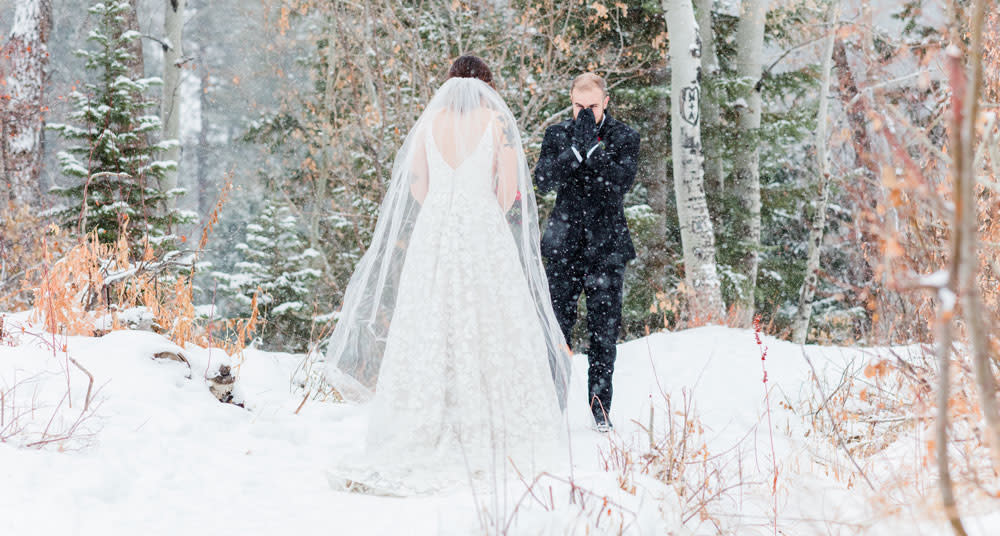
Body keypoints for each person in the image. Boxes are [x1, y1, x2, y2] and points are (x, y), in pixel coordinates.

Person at [323, 55, 572, 494]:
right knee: (489, 318)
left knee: (431, 316)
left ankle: (426, 416)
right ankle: (490, 423)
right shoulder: (495, 123)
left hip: (435, 227)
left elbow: (416, 184)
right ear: (487, 85)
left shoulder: (430, 121)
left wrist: (442, 205)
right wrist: (482, 209)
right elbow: (510, 190)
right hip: (480, 225)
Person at [533, 73, 640, 432]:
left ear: (605, 102)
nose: (584, 113)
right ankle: (551, 404)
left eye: (592, 107)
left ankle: (600, 410)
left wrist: (593, 153)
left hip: (606, 246)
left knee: (603, 332)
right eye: (579, 106)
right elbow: (543, 180)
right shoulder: (557, 134)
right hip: (564, 245)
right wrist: (573, 153)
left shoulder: (624, 136)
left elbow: (619, 184)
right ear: (570, 100)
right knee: (556, 327)